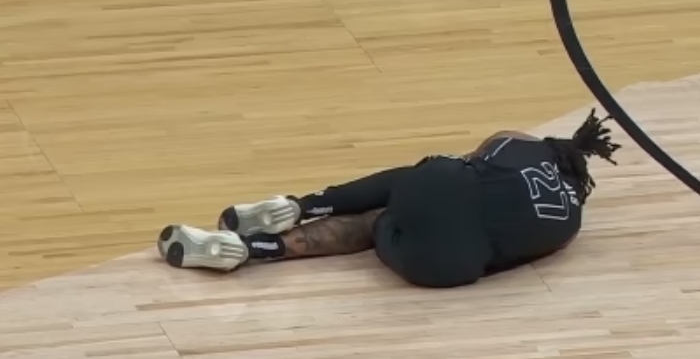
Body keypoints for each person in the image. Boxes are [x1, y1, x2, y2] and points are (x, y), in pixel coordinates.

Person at [156, 110, 620, 288]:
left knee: (421, 181)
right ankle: (256, 249)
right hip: (445, 269)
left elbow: (474, 158)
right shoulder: (570, 227)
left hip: (443, 191)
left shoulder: (521, 144)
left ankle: (304, 204)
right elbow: (514, 261)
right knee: (380, 221)